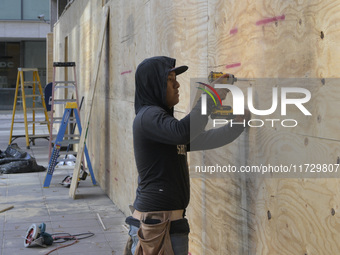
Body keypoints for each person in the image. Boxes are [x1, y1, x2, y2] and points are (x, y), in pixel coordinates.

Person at [124, 56, 250, 255]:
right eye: (170, 79)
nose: (177, 84)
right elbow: (184, 131)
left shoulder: (162, 124)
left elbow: (204, 139)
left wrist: (238, 124)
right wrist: (210, 96)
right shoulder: (148, 117)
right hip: (156, 229)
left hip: (166, 226)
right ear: (155, 84)